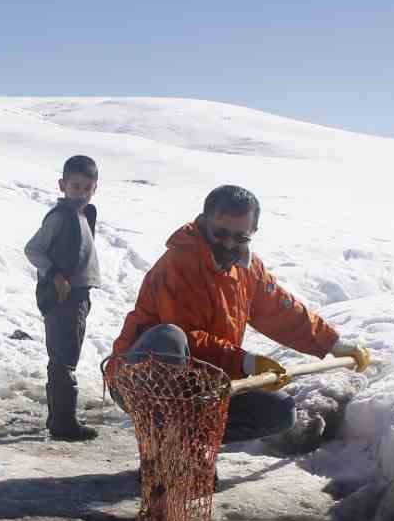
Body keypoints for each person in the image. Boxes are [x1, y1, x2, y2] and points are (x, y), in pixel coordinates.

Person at [108, 184, 371, 445]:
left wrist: (332, 343)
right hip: (141, 376)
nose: (229, 243)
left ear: (253, 232)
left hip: (203, 380)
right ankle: (165, 445)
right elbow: (187, 340)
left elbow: (281, 310)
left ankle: (188, 442)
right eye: (221, 233)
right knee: (169, 337)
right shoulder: (179, 264)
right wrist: (245, 362)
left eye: (240, 237)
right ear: (204, 221)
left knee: (279, 412)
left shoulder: (248, 268)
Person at [24, 155, 102, 441]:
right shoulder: (61, 216)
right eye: (75, 187)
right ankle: (64, 423)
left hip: (79, 294)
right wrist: (56, 276)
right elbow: (33, 249)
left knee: (65, 355)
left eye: (87, 188)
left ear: (95, 188)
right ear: (62, 185)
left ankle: (58, 417)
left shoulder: (83, 214)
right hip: (63, 296)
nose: (81, 193)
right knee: (64, 358)